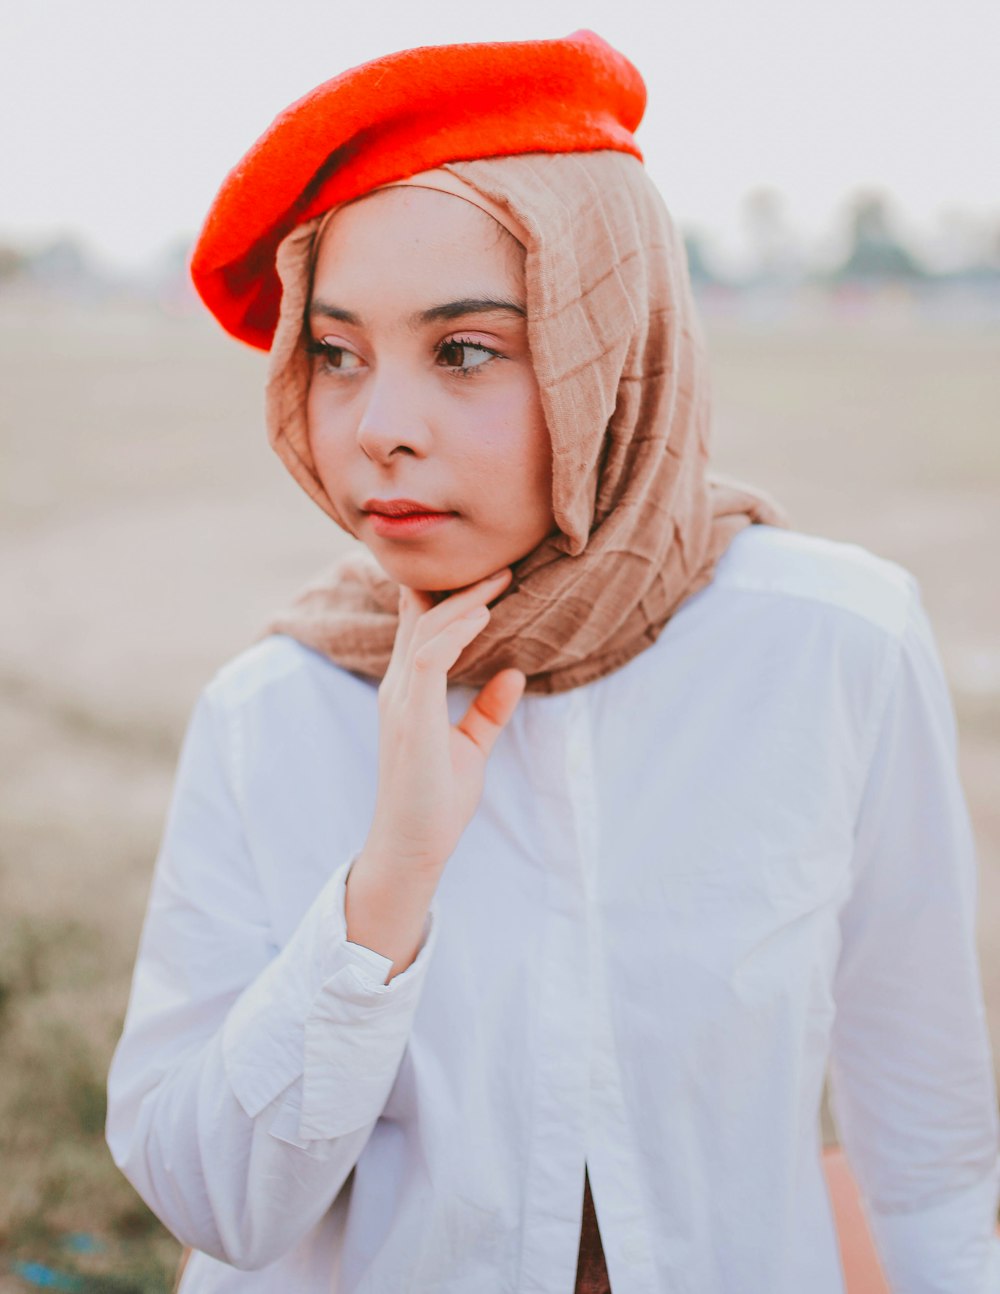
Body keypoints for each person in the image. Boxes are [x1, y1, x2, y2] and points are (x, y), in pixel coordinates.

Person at [106, 30, 1000, 1294]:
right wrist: (387, 887)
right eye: (336, 354)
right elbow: (213, 1207)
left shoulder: (835, 641)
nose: (379, 431)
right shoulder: (273, 708)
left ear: (613, 354)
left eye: (465, 350)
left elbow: (926, 1130)